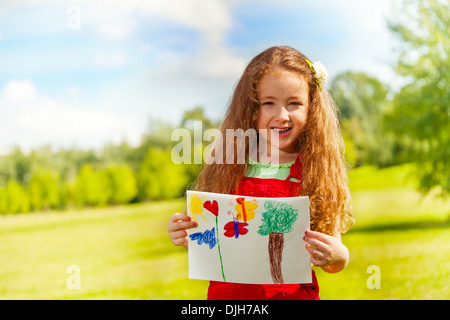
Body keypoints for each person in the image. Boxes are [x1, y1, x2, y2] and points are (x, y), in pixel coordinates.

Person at [168, 46, 354, 300]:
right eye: (269, 103)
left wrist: (338, 256)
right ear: (251, 108)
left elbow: (334, 260)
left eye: (294, 103)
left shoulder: (315, 172)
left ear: (311, 108)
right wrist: (186, 234)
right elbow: (212, 241)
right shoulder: (228, 167)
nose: (282, 115)